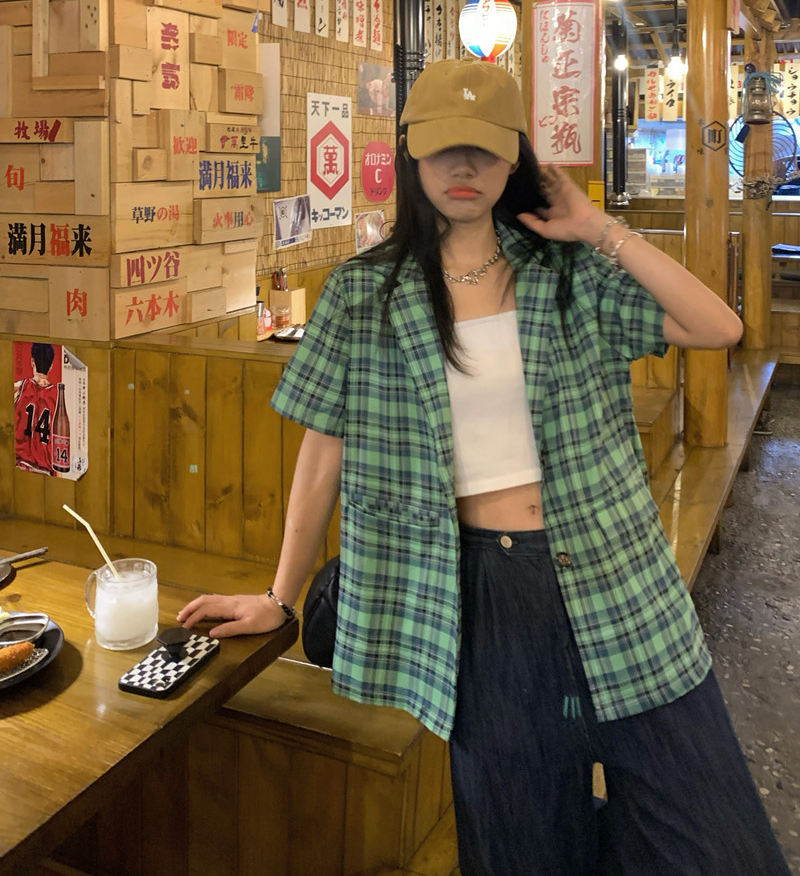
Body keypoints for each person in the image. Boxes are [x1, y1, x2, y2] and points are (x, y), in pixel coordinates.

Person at [178, 60, 791, 876]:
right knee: (522, 852)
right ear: (410, 152)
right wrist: (279, 597)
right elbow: (323, 450)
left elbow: (717, 326)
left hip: (616, 575)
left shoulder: (569, 272)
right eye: (442, 148)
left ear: (514, 159)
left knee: (722, 850)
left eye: (484, 149)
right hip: (481, 601)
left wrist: (597, 226)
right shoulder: (363, 295)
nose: (462, 167)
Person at [14, 342, 58, 475]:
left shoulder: (21, 387)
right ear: (51, 366)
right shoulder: (59, 397)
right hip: (46, 471)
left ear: (32, 361)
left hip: (21, 466)